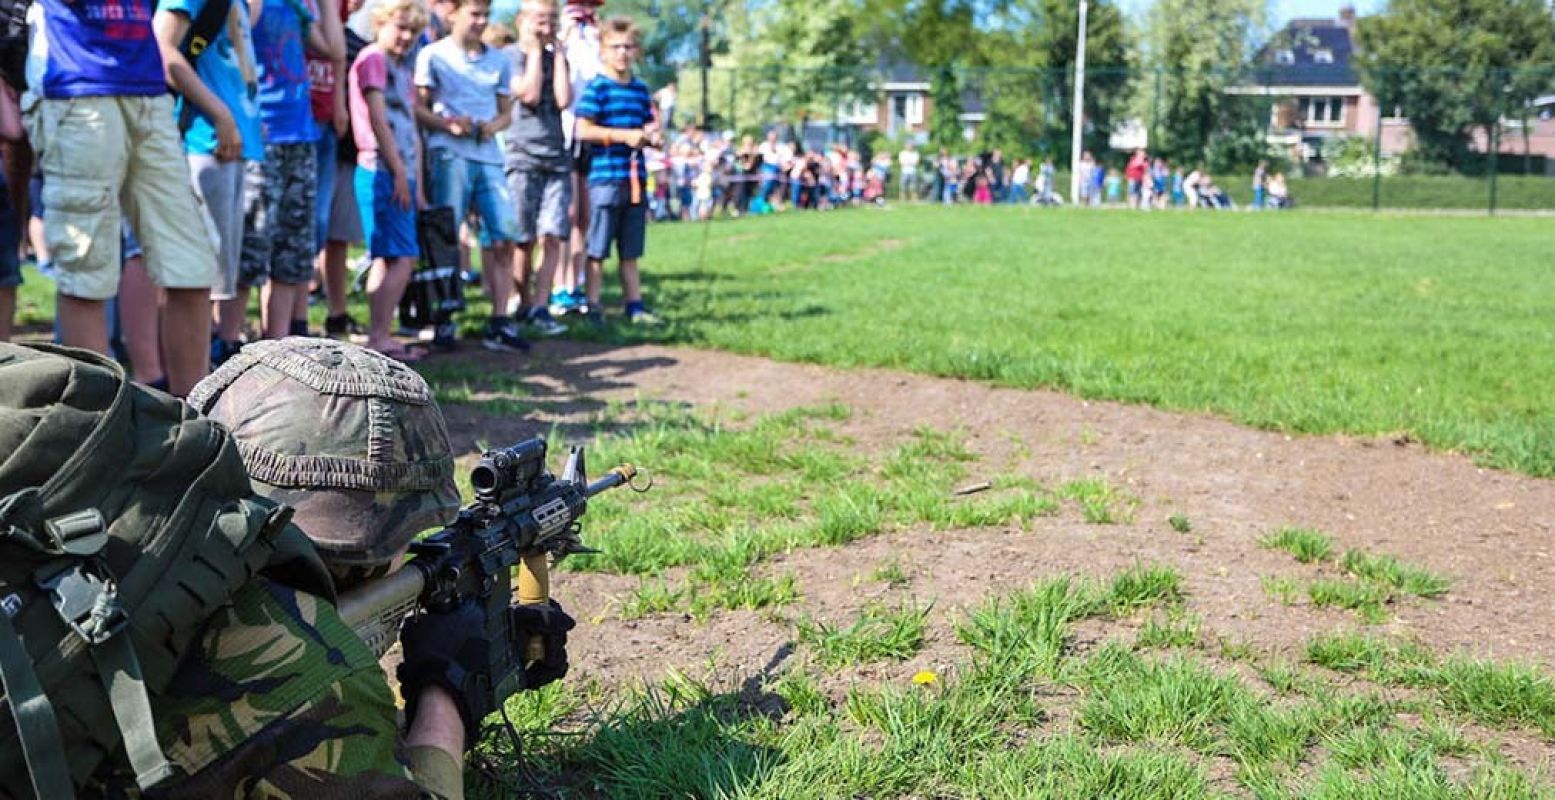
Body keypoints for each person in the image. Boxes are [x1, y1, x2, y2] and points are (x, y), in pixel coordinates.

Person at [25, 0, 221, 396]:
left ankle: (197, 427)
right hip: (77, 87)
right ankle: (100, 429)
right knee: (86, 268)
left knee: (193, 265)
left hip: (148, 90)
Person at [152, 0, 263, 367]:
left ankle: (203, 364)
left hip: (231, 142)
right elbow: (164, 48)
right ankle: (175, 373)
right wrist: (220, 114)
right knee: (191, 274)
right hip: (202, 140)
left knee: (214, 276)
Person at [415, 0, 529, 352]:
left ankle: (499, 320)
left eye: (485, 15)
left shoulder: (498, 59)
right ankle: (444, 317)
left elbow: (506, 114)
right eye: (474, 14)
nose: (480, 22)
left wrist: (490, 126)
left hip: (489, 155)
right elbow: (418, 108)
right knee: (447, 235)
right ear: (454, 15)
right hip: (449, 154)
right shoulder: (433, 55)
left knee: (504, 234)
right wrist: (449, 124)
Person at [243, 0, 337, 341]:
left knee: (293, 250)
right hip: (262, 134)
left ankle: (277, 344)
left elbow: (332, 50)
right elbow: (242, 29)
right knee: (251, 249)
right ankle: (227, 339)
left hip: (300, 133)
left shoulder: (296, 7)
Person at [351, 0, 427, 360]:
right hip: (381, 169)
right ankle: (379, 335)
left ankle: (380, 333)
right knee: (402, 256)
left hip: (401, 172)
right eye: (400, 27)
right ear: (380, 22)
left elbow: (410, 125)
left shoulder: (401, 67)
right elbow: (378, 120)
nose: (406, 36)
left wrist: (416, 181)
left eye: (413, 30)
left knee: (389, 257)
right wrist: (398, 171)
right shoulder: (373, 59)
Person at [573, 16, 660, 325]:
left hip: (634, 178)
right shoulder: (597, 88)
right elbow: (582, 129)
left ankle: (634, 305)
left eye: (628, 47)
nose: (622, 53)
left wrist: (653, 136)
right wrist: (623, 136)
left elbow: (648, 123)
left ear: (635, 51)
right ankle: (593, 305)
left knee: (630, 249)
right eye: (615, 47)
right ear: (603, 51)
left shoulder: (640, 90)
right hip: (605, 178)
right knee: (597, 247)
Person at [506, 0, 572, 337]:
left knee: (552, 234)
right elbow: (529, 94)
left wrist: (558, 54)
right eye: (538, 20)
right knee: (523, 236)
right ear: (522, 20)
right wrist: (533, 50)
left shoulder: (557, 58)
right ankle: (522, 300)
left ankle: (542, 306)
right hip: (522, 155)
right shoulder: (511, 56)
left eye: (551, 21)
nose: (545, 27)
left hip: (556, 157)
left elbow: (563, 100)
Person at [556, 0, 603, 315]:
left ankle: (578, 281)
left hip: (591, 131)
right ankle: (560, 285)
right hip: (566, 130)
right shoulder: (565, 28)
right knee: (568, 214)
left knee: (584, 216)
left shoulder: (596, 32)